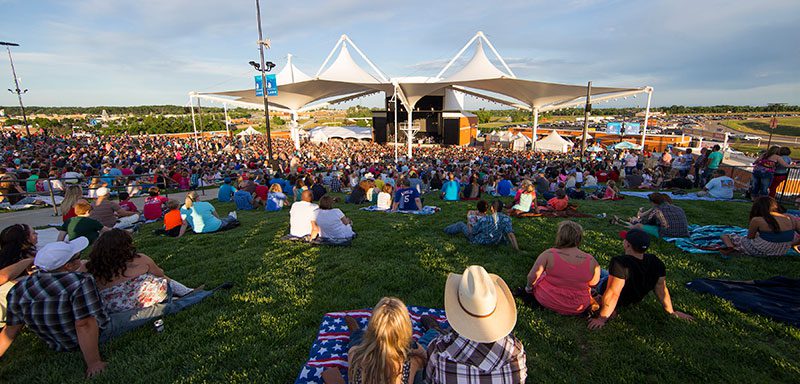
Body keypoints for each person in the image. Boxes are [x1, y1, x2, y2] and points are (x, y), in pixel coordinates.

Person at [0, 238, 223, 378]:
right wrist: (94, 362)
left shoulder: (20, 289)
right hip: (98, 331)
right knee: (160, 310)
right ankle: (203, 295)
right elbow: (85, 324)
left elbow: (10, 331)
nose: (81, 259)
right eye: (77, 257)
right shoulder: (78, 283)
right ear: (67, 266)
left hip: (55, 342)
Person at [421, 266, 527, 383]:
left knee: (422, 348)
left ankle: (435, 330)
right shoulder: (516, 351)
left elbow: (427, 378)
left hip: (441, 347)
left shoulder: (440, 350)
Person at [588, 229, 694, 329]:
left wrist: (602, 319)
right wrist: (671, 311)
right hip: (632, 295)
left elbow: (613, 293)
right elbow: (661, 288)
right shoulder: (655, 261)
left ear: (627, 244)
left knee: (590, 268)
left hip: (604, 288)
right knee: (602, 271)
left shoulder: (620, 263)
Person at [87, 229, 196, 314]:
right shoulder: (139, 259)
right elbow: (160, 274)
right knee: (158, 277)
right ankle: (187, 292)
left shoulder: (92, 267)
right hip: (146, 299)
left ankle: (182, 294)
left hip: (115, 307)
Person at [321, 297, 426, 384]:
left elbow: (355, 353)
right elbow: (424, 357)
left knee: (357, 342)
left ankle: (356, 331)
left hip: (365, 347)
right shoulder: (409, 364)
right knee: (425, 346)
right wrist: (414, 349)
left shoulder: (356, 356)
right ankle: (433, 329)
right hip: (404, 350)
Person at [524, 221, 601, 315]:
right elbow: (594, 283)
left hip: (547, 299)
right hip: (578, 305)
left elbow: (532, 276)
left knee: (543, 275)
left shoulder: (549, 254)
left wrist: (529, 288)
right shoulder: (591, 260)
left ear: (560, 237)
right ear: (579, 238)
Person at [721, 196, 800, 257]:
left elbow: (750, 237)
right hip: (782, 251)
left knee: (726, 236)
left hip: (761, 249)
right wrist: (792, 244)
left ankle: (730, 248)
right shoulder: (790, 217)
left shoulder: (757, 220)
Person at [444, 200, 519, 250]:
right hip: (496, 241)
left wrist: (469, 223)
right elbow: (510, 234)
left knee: (460, 224)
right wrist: (516, 249)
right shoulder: (507, 219)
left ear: (492, 208)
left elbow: (472, 232)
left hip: (480, 241)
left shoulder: (484, 219)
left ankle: (446, 230)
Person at [0, 224, 37, 326]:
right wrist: (30, 261)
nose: (36, 235)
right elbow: (3, 277)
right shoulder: (26, 259)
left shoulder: (6, 257)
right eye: (33, 233)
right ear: (26, 239)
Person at [613, 192, 689, 238]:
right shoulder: (678, 208)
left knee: (638, 226)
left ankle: (619, 224)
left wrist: (636, 222)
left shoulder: (657, 210)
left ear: (653, 202)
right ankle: (621, 221)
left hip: (668, 233)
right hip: (684, 232)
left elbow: (646, 222)